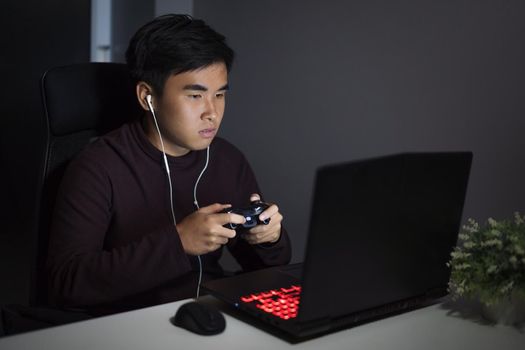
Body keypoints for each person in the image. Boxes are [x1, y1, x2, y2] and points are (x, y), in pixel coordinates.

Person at [46, 14, 291, 316]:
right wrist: (178, 243)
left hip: (209, 315)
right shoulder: (96, 167)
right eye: (195, 95)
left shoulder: (228, 159)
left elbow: (266, 272)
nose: (212, 113)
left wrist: (268, 239)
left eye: (220, 95)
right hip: (124, 324)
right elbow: (67, 284)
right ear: (148, 97)